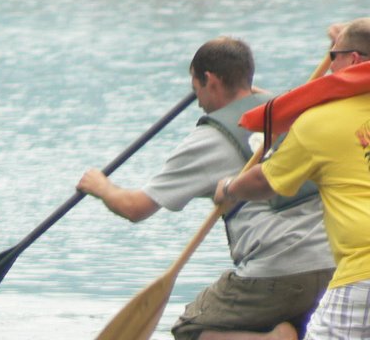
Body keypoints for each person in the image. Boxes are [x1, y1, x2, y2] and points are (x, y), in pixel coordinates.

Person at [77, 37, 334, 340]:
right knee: (296, 324)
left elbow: (136, 208)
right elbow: (261, 95)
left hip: (277, 271)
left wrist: (101, 186)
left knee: (192, 329)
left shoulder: (209, 142)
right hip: (334, 264)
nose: (197, 99)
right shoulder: (293, 113)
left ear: (210, 80)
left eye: (196, 86)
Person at [217, 20, 370, 339]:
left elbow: (264, 182)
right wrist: (343, 44)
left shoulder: (318, 123)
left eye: (333, 58)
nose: (329, 68)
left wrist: (230, 188)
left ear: (354, 60)